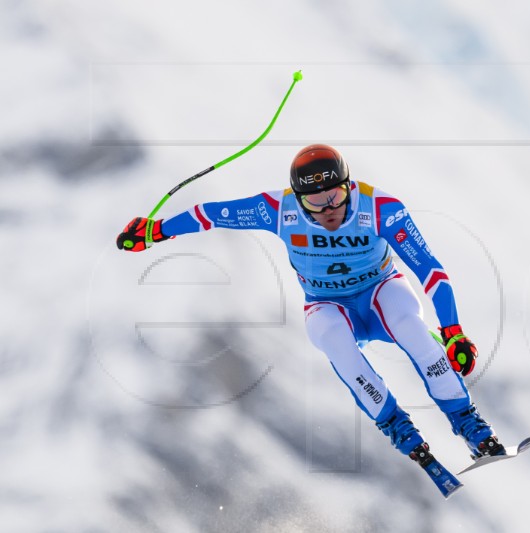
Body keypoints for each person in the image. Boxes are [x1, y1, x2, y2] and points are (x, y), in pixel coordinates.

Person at [117, 144, 506, 470]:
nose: (327, 209)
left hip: (380, 292)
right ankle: (400, 430)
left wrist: (453, 330)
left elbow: (430, 271)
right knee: (334, 342)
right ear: (297, 197)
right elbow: (212, 215)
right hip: (327, 305)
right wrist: (155, 231)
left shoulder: (381, 209)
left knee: (409, 325)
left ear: (349, 186)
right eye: (314, 201)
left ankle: (473, 428)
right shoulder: (278, 210)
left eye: (335, 196)